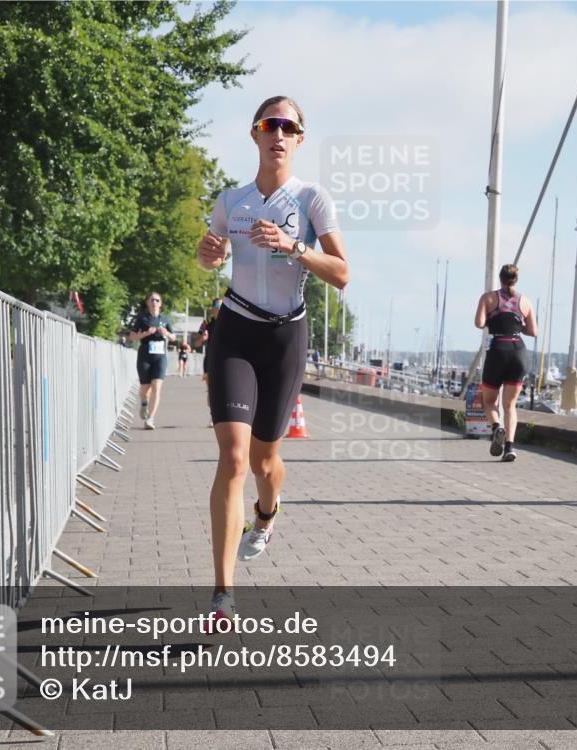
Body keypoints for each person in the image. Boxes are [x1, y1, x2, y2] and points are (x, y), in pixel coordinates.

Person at [196, 95, 349, 627]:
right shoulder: (232, 200)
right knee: (234, 458)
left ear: (300, 138)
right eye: (269, 125)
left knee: (265, 463)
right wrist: (208, 253)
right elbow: (208, 249)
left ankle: (266, 513)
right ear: (255, 134)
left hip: (285, 337)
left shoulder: (311, 199)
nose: (278, 134)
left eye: (288, 126)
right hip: (235, 330)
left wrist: (293, 245)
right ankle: (222, 595)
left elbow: (343, 273)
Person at [474, 264, 538, 462]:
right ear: (515, 280)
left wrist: (493, 319)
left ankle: (496, 427)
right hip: (518, 351)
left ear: (500, 279)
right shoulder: (525, 301)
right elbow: (533, 331)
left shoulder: (488, 298)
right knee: (510, 405)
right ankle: (510, 447)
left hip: (498, 350)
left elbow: (479, 323)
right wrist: (517, 326)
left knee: (489, 401)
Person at [128, 292, 176, 429]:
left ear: (160, 304)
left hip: (160, 357)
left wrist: (165, 333)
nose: (154, 302)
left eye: (157, 300)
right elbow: (132, 336)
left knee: (156, 387)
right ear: (148, 303)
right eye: (152, 300)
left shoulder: (165, 319)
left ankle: (150, 419)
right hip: (145, 356)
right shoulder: (142, 318)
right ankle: (144, 402)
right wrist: (146, 333)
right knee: (145, 388)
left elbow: (173, 337)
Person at [194, 298, 222, 426]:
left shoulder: (229, 322)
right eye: (217, 305)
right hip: (210, 360)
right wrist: (203, 337)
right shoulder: (205, 323)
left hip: (225, 360)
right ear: (212, 308)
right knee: (211, 390)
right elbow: (197, 342)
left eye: (221, 306)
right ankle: (213, 416)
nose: (219, 308)